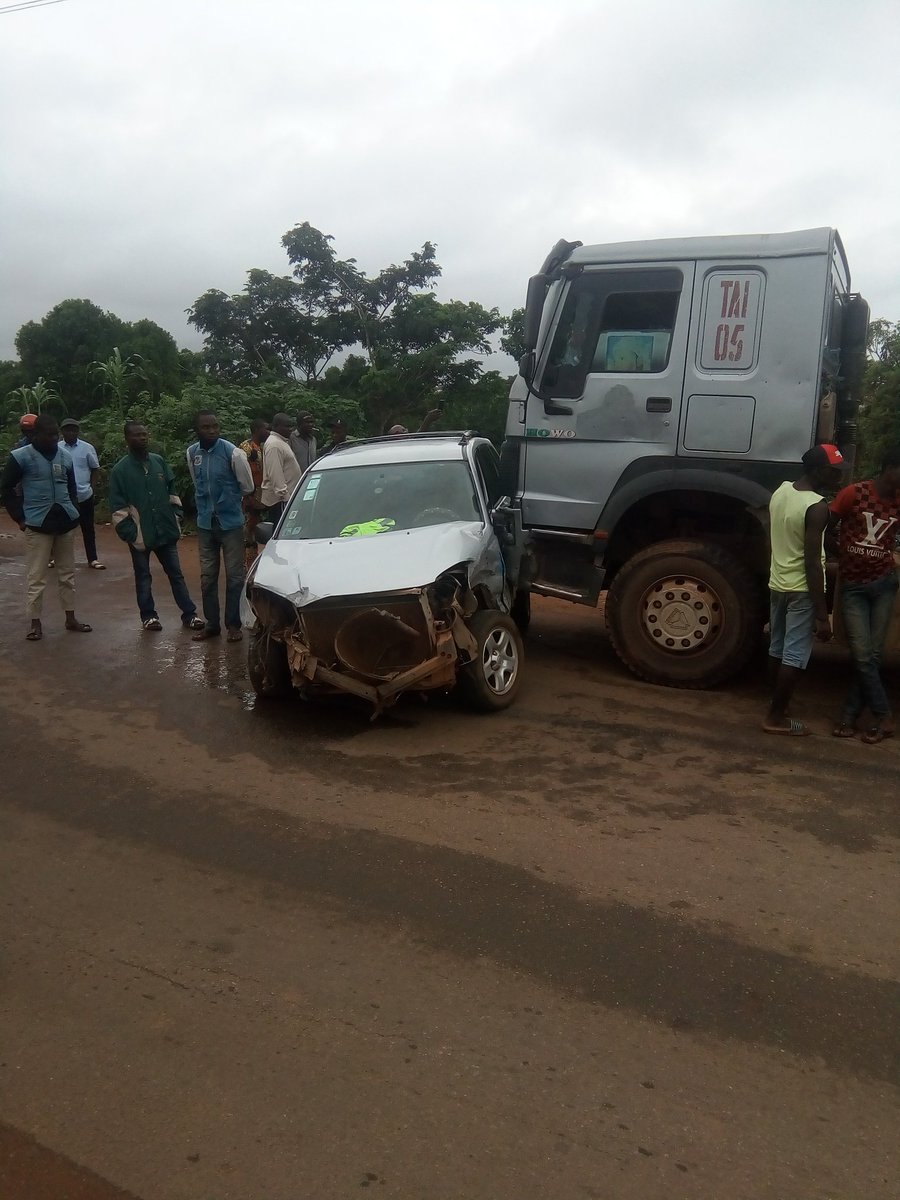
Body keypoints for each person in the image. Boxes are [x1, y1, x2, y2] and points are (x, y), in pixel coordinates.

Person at [763, 443, 844, 736]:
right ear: (818, 470)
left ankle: (777, 706)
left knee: (776, 647)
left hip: (778, 583)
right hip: (801, 588)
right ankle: (775, 718)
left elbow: (773, 536)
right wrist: (823, 616)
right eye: (835, 472)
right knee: (795, 655)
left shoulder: (781, 491)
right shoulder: (817, 506)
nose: (839, 479)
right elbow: (812, 562)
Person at [0, 412, 92, 641]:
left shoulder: (65, 456)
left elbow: (72, 487)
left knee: (67, 574)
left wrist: (75, 511)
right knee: (37, 576)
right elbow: (6, 488)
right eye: (48, 436)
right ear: (35, 435)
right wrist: (19, 518)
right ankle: (35, 623)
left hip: (65, 523)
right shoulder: (21, 457)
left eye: (55, 435)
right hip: (36, 523)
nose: (52, 440)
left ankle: (70, 618)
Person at [830, 447, 900, 743]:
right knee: (861, 655)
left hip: (884, 584)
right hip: (854, 587)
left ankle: (848, 718)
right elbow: (826, 527)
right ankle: (883, 717)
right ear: (889, 468)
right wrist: (840, 556)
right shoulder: (854, 493)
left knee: (872, 655)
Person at [109, 421, 205, 632]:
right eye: (136, 435)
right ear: (127, 439)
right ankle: (149, 616)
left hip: (166, 531)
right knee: (143, 576)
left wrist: (176, 517)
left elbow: (172, 491)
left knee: (176, 574)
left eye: (144, 434)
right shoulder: (120, 470)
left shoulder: (158, 462)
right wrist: (132, 534)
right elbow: (117, 508)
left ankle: (190, 614)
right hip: (141, 534)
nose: (142, 438)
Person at [186, 410, 254, 643]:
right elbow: (197, 484)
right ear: (197, 430)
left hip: (231, 524)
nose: (212, 430)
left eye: (215, 426)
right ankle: (212, 624)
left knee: (235, 576)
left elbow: (247, 486)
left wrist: (228, 500)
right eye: (206, 427)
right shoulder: (192, 453)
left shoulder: (233, 453)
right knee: (207, 578)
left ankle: (233, 625)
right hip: (206, 524)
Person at [59, 417, 105, 569]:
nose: (71, 432)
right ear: (62, 432)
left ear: (78, 432)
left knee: (88, 528)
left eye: (73, 429)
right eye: (67, 429)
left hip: (84, 494)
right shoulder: (57, 447)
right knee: (61, 528)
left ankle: (92, 559)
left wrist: (91, 488)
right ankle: (57, 558)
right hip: (63, 496)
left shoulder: (87, 448)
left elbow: (95, 468)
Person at [261, 412, 303, 521]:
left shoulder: (281, 442)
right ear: (276, 426)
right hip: (281, 501)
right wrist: (286, 498)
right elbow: (275, 475)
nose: (290, 429)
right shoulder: (274, 445)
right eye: (287, 426)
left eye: (291, 426)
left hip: (287, 499)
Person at [240, 418, 269, 568]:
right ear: (257, 429)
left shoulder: (263, 447)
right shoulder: (246, 447)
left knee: (257, 529)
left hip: (261, 495)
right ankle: (247, 565)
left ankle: (254, 562)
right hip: (249, 495)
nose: (268, 432)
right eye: (266, 428)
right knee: (248, 530)